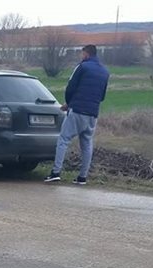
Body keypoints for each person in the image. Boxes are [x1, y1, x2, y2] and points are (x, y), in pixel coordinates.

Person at [45, 45, 110, 185]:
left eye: (82, 54)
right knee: (87, 144)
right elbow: (102, 95)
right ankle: (82, 177)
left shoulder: (82, 67)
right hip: (93, 113)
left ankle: (55, 172)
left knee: (63, 139)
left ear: (86, 54)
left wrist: (69, 103)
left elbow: (71, 87)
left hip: (77, 110)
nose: (81, 56)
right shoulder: (105, 72)